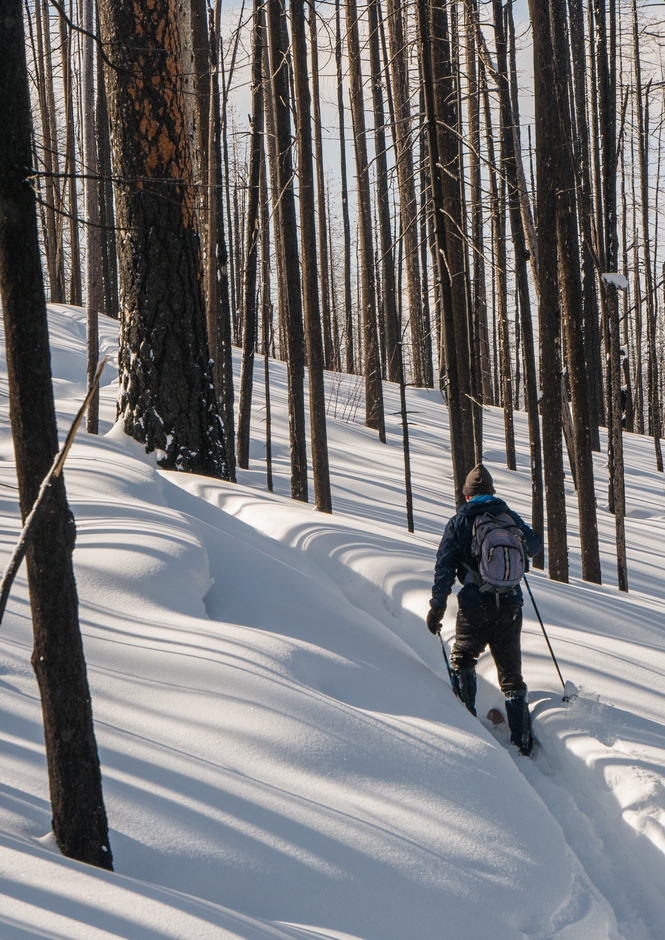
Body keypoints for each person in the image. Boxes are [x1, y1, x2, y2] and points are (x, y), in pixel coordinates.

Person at [426, 463, 543, 755]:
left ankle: (468, 724)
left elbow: (444, 567)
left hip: (475, 605)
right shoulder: (507, 516)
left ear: (467, 496)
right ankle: (522, 743)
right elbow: (535, 545)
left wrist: (437, 606)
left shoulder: (459, 522)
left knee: (463, 659)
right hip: (511, 605)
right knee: (511, 674)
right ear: (491, 492)